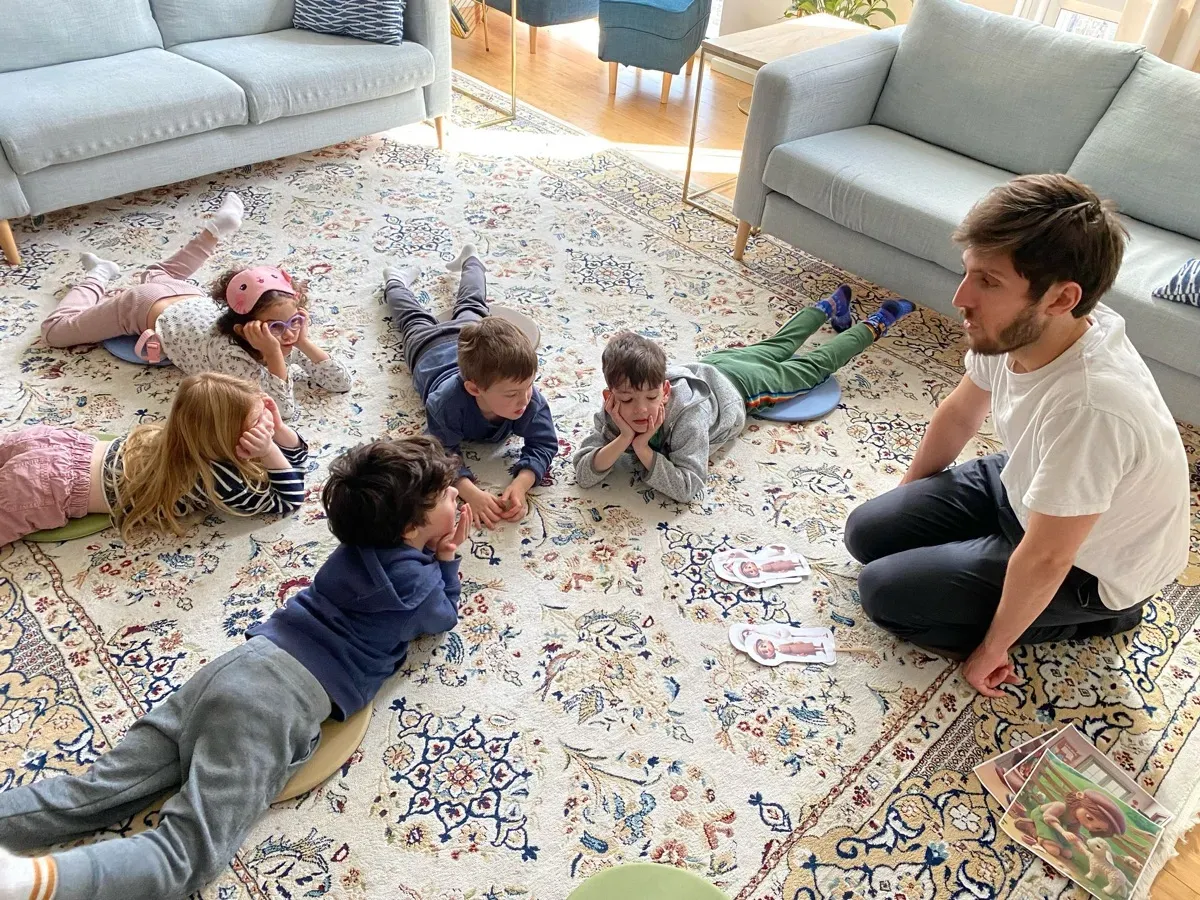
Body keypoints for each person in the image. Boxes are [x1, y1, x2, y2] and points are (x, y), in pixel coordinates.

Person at [0, 436, 472, 900]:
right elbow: (442, 618)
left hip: (238, 665)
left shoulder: (350, 548)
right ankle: (27, 883)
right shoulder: (420, 590)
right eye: (447, 495)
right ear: (411, 531)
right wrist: (447, 558)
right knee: (184, 855)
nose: (457, 494)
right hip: (275, 704)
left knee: (94, 791)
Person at [842, 174, 1190, 697]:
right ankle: (977, 562)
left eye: (989, 282)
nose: (961, 298)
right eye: (968, 274)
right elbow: (960, 413)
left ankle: (1098, 619)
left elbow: (1048, 556)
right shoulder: (1028, 328)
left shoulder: (1094, 407)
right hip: (1028, 483)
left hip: (1090, 564)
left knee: (885, 593)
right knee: (867, 533)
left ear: (1060, 299)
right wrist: (911, 494)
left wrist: (992, 649)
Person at [573, 287, 914, 502]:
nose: (640, 410)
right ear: (610, 396)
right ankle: (832, 304)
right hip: (712, 363)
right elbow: (584, 473)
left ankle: (880, 319)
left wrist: (643, 449)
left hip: (741, 386)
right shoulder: (612, 413)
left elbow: (689, 487)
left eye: (650, 397)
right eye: (627, 400)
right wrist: (626, 438)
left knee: (815, 366)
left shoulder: (688, 416)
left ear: (664, 390)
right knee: (777, 345)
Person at [40, 192, 351, 420]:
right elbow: (284, 413)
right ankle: (99, 273)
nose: (287, 335)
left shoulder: (284, 333)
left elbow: (341, 383)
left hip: (185, 293)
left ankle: (214, 231)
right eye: (277, 328)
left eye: (295, 321)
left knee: (160, 273)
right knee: (56, 332)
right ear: (244, 329)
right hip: (140, 306)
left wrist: (304, 341)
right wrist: (272, 354)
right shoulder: (233, 359)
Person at [0, 372, 308, 546]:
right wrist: (269, 450)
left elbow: (299, 458)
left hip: (59, 444)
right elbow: (290, 499)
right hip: (45, 490)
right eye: (260, 420)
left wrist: (279, 429)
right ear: (225, 439)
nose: (268, 421)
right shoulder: (221, 481)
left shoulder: (182, 436)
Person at [383, 245, 558, 528]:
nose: (524, 398)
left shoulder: (528, 397)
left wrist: (522, 483)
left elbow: (545, 443)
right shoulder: (446, 404)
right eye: (512, 394)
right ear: (475, 390)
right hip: (427, 349)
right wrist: (470, 492)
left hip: (467, 335)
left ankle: (471, 259)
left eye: (529, 386)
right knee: (411, 317)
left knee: (473, 304)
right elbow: (439, 452)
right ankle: (395, 280)